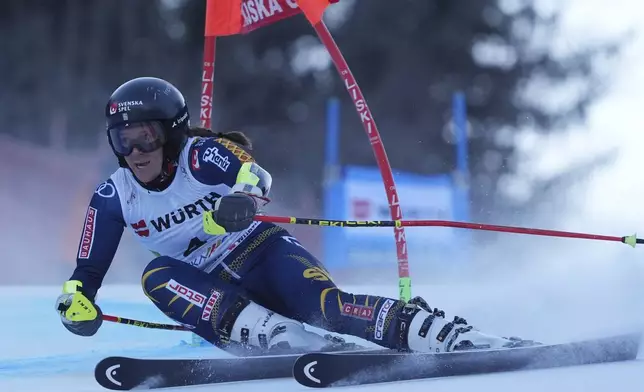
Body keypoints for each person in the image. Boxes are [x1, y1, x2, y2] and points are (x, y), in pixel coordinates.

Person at [55, 76, 529, 355]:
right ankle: (281, 338)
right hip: (211, 292)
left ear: (173, 134)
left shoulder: (200, 155)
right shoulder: (113, 196)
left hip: (260, 252)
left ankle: (450, 337)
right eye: (123, 140)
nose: (135, 152)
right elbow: (86, 272)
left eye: (146, 138)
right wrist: (76, 303)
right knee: (156, 274)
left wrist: (243, 198)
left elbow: (254, 174)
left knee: (329, 309)